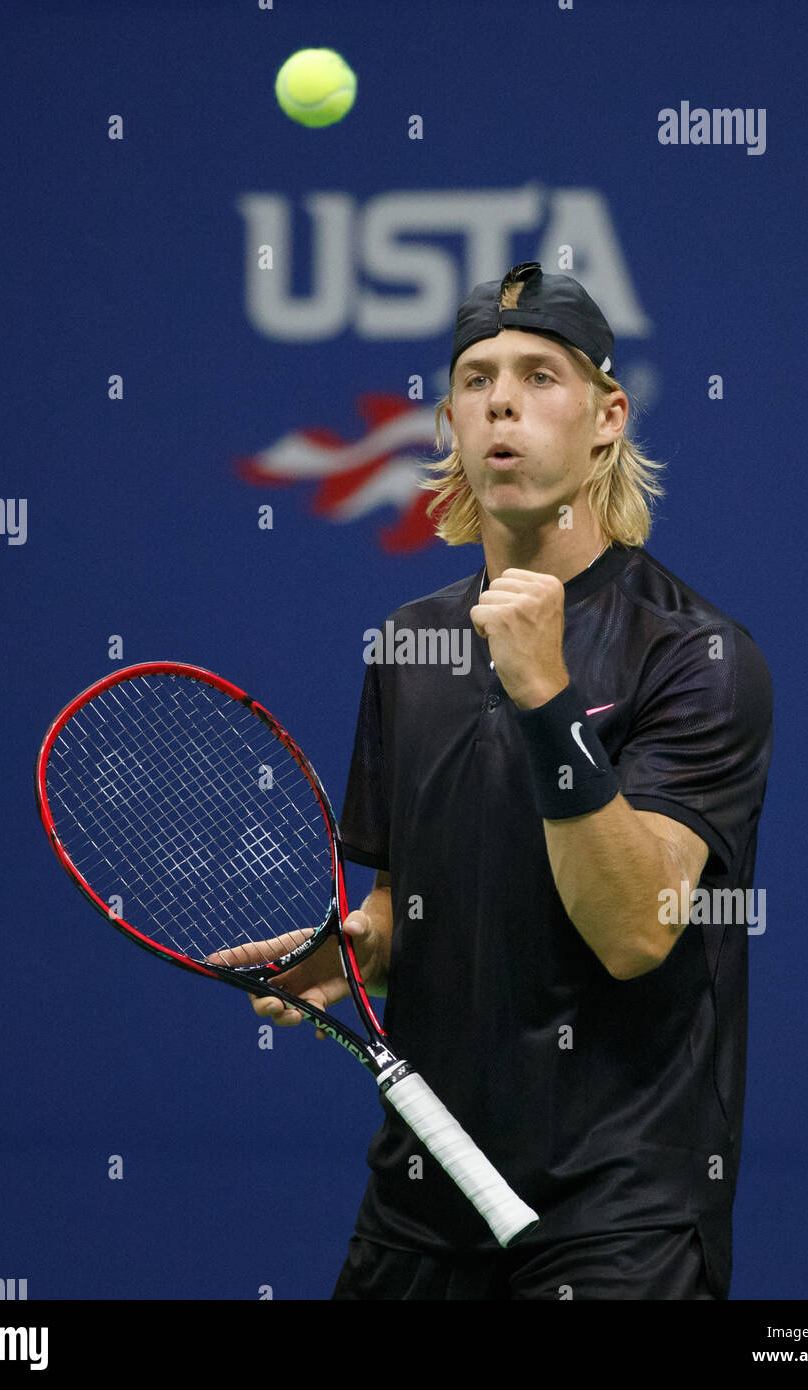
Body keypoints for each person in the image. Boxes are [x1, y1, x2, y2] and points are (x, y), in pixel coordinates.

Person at [250, 261, 773, 1300]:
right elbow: (408, 910)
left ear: (605, 417)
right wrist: (358, 951)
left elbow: (633, 932)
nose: (501, 399)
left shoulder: (694, 655)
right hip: (418, 1203)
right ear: (447, 419)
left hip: (616, 1224)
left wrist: (544, 698)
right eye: (477, 377)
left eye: (540, 375)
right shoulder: (408, 645)